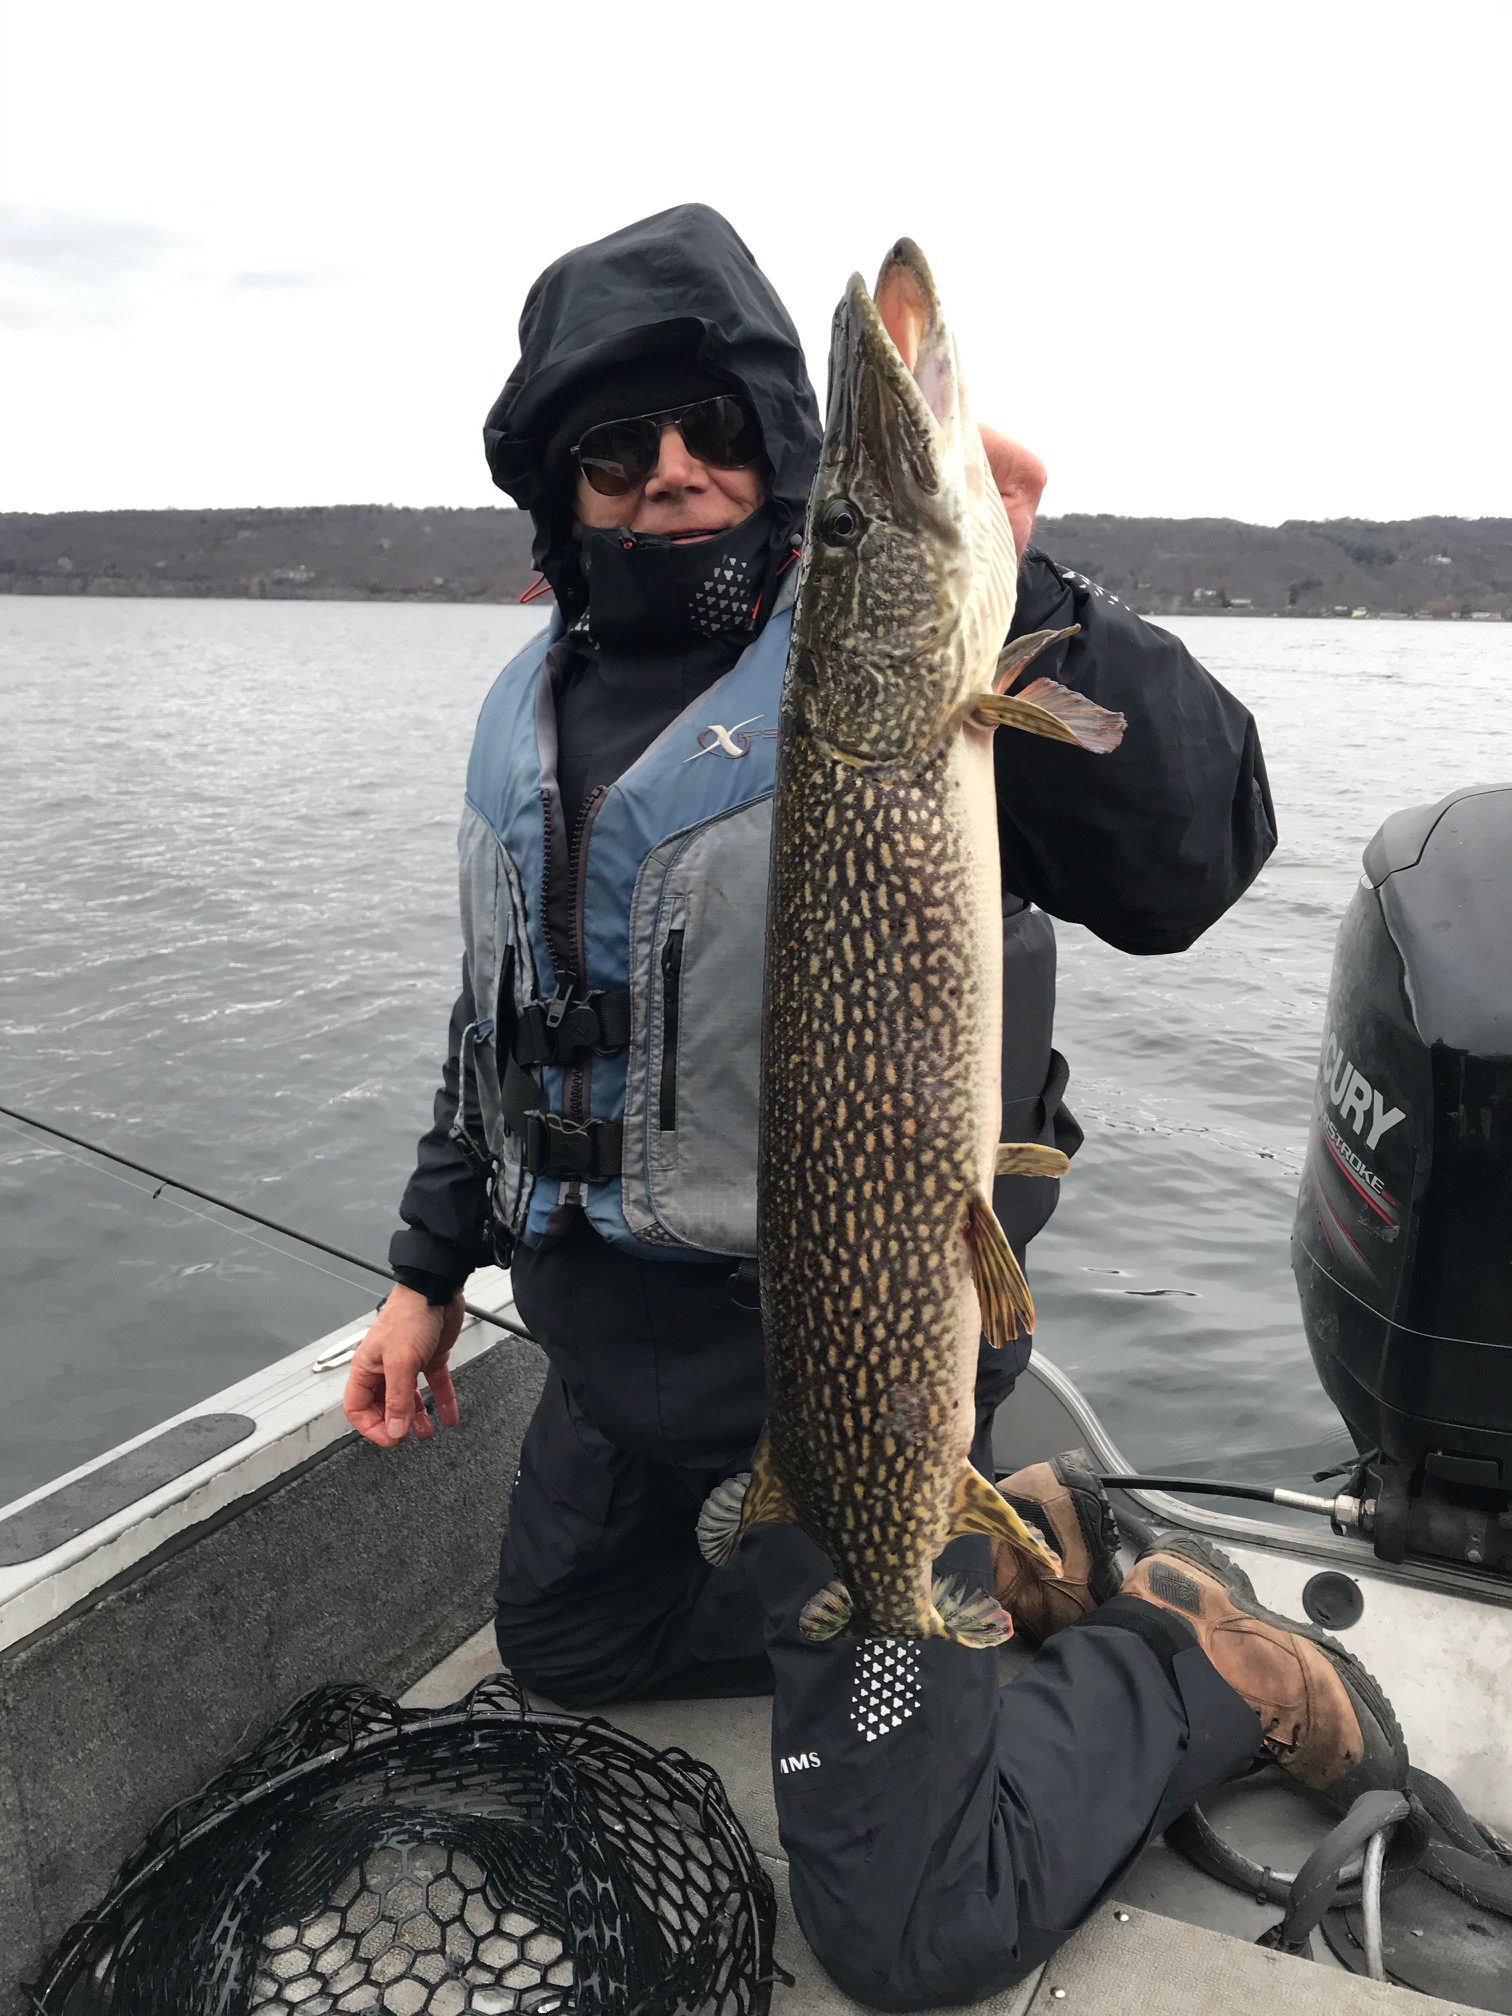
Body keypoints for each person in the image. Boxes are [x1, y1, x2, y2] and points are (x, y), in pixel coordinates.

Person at [344, 205, 1406, 2008]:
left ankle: (1187, 1670)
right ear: (563, 487)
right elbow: (507, 1028)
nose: (675, 474)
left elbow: (1200, 849)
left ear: (784, 451)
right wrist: (426, 1271)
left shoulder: (933, 688)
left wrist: (1037, 584)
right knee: (563, 1640)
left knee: (915, 1934)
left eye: (725, 435)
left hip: (854, 1372)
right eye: (618, 446)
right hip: (623, 1373)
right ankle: (1029, 1553)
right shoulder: (536, 718)